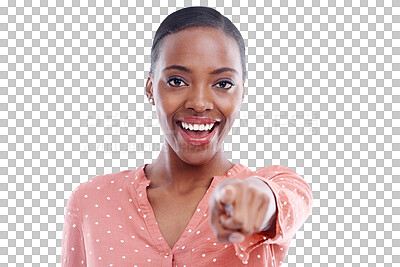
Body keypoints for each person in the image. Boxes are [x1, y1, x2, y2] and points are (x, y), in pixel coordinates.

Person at [61, 6, 312, 267]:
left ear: (242, 93)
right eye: (177, 81)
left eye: (223, 84)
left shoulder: (272, 186)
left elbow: (289, 200)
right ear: (150, 88)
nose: (200, 103)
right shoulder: (92, 200)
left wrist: (259, 202)